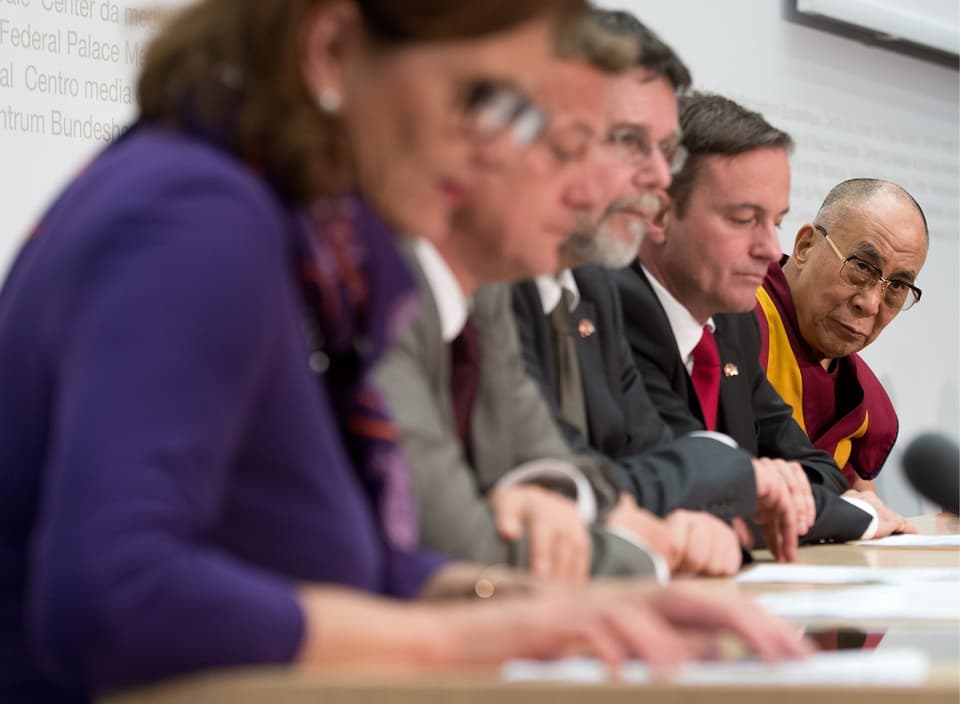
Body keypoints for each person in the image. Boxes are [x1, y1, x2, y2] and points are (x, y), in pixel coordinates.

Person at [0, 2, 807, 702]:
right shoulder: (202, 218)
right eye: (485, 100)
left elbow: (319, 570)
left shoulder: (305, 240)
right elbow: (113, 594)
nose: (503, 151)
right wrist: (465, 639)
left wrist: (535, 607)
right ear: (331, 53)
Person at [377, 33, 683, 581]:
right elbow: (462, 547)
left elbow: (537, 452)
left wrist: (556, 503)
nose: (588, 193)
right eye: (567, 151)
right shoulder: (383, 273)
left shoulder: (486, 292)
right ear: (468, 136)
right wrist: (643, 555)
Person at [616, 92, 912, 560]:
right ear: (658, 213)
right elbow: (683, 484)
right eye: (743, 219)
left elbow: (819, 471)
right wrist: (857, 514)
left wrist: (766, 486)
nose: (768, 248)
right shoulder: (612, 311)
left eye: (773, 221)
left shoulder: (732, 329)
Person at [511, 9, 750, 577]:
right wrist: (651, 520)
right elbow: (549, 477)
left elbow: (650, 454)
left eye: (664, 151)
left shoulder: (593, 286)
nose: (660, 179)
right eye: (628, 142)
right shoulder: (493, 287)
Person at [755, 178, 927, 493]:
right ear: (805, 246)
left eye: (898, 286)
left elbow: (863, 512)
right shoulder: (734, 317)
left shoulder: (860, 399)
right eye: (861, 266)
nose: (871, 303)